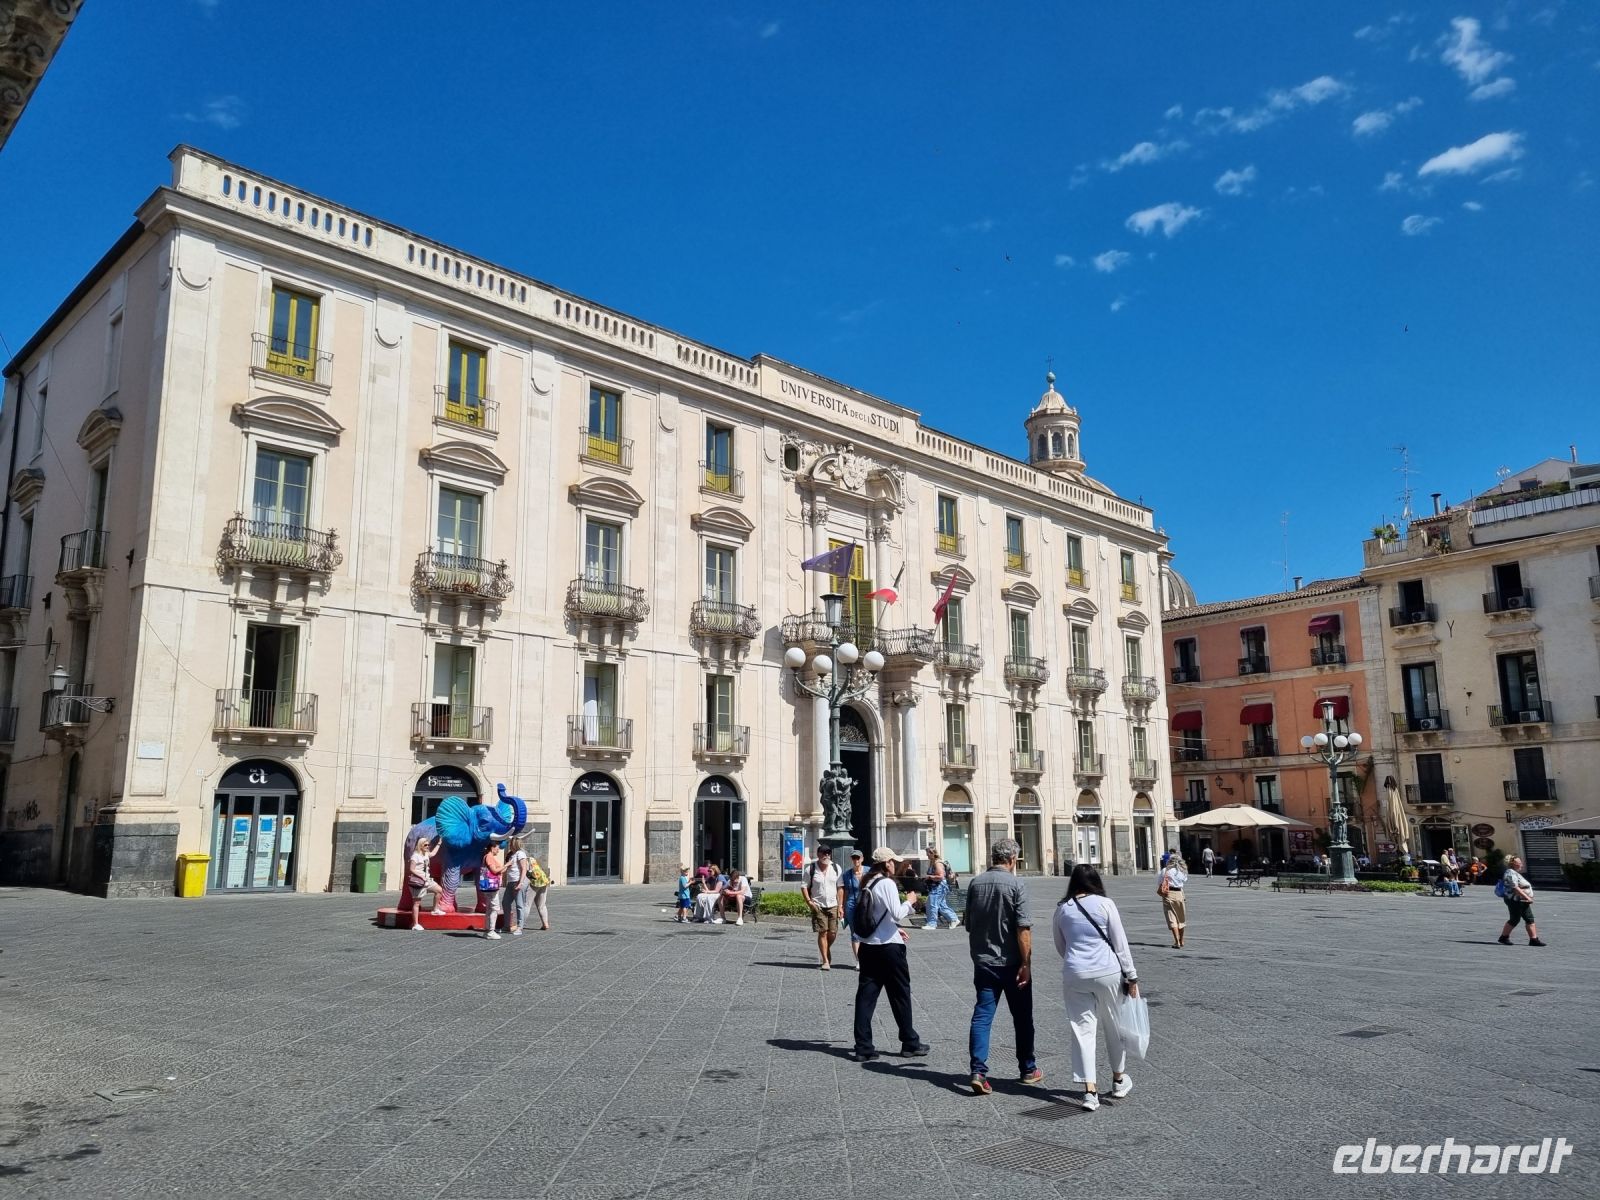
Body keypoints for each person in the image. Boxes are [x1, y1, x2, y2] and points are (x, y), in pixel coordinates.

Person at [1053, 864, 1138, 1111]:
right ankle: (1119, 1080)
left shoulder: (1062, 908)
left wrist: (1076, 962)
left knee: (1082, 1031)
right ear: (1096, 881)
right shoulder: (1105, 904)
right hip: (1108, 972)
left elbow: (1061, 945)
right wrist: (1131, 976)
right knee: (1114, 1026)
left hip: (1075, 974)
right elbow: (1120, 943)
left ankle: (1090, 1092)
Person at [963, 837, 1038, 1095]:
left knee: (982, 1017)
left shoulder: (975, 883)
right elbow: (1023, 929)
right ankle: (1028, 1069)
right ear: (1012, 859)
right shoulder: (1017, 884)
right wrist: (1026, 963)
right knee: (1022, 1018)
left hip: (983, 962)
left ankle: (978, 1071)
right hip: (1012, 963)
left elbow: (969, 924)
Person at [851, 848, 928, 1062]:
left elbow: (877, 914)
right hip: (888, 949)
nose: (895, 865)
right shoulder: (886, 883)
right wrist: (910, 901)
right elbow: (896, 912)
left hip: (869, 946)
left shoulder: (867, 881)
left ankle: (863, 1046)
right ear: (886, 863)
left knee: (866, 998)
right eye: (893, 861)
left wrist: (894, 927)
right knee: (900, 995)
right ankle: (910, 1042)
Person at [804, 846, 843, 968]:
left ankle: (826, 949)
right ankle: (825, 961)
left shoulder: (836, 868)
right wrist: (809, 902)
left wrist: (840, 905)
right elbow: (804, 886)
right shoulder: (810, 869)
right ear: (818, 854)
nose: (826, 855)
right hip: (818, 905)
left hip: (833, 905)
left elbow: (840, 887)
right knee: (822, 932)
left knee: (833, 932)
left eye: (828, 853)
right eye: (823, 853)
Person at [1498, 856, 1546, 946]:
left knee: (1529, 918)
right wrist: (1527, 897)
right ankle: (1504, 937)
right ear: (1513, 864)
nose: (1522, 864)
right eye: (1519, 863)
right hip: (1515, 900)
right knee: (1514, 919)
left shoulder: (1514, 873)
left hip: (1521, 900)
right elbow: (1515, 888)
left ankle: (1534, 939)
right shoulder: (1510, 873)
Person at [406, 836, 443, 930]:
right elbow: (411, 869)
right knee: (416, 903)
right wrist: (420, 875)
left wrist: (439, 843)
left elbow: (433, 854)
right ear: (420, 846)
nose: (427, 846)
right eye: (425, 845)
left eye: (428, 845)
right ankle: (415, 924)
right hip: (418, 881)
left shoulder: (425, 854)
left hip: (427, 880)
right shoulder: (415, 856)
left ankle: (435, 909)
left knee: (439, 890)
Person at [924, 847, 961, 931]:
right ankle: (953, 919)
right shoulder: (934, 862)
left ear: (932, 853)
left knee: (932, 905)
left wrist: (929, 876)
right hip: (939, 887)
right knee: (941, 906)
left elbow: (940, 876)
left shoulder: (937, 863)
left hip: (938, 887)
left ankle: (932, 924)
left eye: (928, 853)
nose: (927, 855)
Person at [840, 849, 865, 969]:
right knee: (855, 933)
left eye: (858, 858)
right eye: (854, 858)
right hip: (851, 905)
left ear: (862, 859)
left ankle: (869, 958)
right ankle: (859, 960)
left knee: (868, 931)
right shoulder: (847, 874)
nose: (856, 860)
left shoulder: (869, 871)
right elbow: (844, 892)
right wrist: (842, 907)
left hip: (866, 906)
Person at [479, 839, 506, 940]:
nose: (498, 850)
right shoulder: (489, 857)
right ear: (493, 847)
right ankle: (491, 931)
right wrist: (505, 866)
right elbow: (494, 870)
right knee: (494, 908)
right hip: (491, 886)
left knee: (489, 908)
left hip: (490, 886)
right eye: (497, 848)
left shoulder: (487, 856)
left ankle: (487, 930)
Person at [1159, 854, 1188, 949]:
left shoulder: (1165, 870)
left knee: (1172, 918)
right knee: (1181, 918)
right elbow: (1184, 881)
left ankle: (1177, 942)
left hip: (1168, 894)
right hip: (1180, 893)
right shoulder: (1183, 871)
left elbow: (1160, 882)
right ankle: (1182, 940)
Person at [503, 836, 529, 936]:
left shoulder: (520, 854)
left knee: (519, 904)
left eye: (511, 843)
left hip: (518, 881)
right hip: (511, 882)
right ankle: (507, 926)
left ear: (515, 844)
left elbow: (524, 869)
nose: (509, 845)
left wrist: (520, 883)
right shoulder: (511, 855)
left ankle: (519, 927)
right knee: (505, 902)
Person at [526, 853, 551, 930]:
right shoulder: (530, 858)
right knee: (542, 905)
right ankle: (545, 924)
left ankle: (520, 924)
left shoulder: (521, 859)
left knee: (526, 904)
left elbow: (525, 872)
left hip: (534, 881)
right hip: (543, 880)